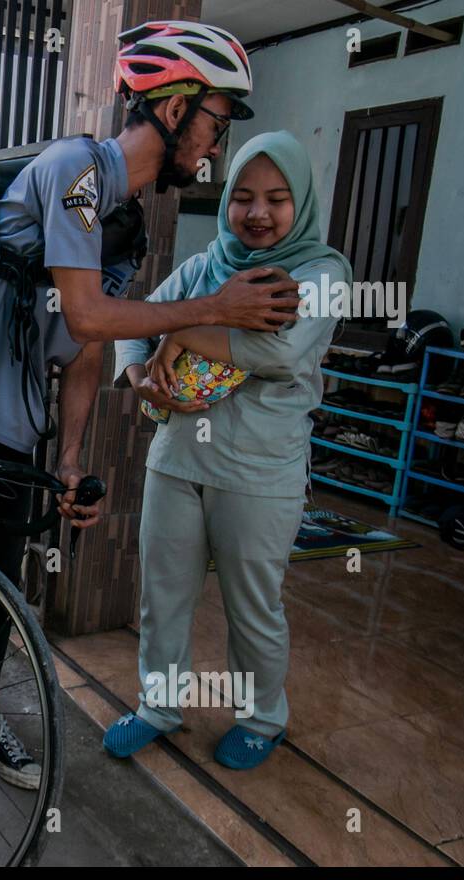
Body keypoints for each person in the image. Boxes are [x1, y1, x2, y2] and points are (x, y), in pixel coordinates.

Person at [0, 21, 301, 792]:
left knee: (0, 568)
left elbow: (86, 350)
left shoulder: (122, 222)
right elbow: (91, 315)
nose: (214, 149)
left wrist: (68, 459)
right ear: (172, 104)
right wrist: (214, 310)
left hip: (15, 418)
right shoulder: (76, 171)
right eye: (215, 125)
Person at [106, 130, 353, 770]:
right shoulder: (206, 266)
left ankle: (263, 718)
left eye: (275, 198)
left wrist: (183, 328)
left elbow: (278, 351)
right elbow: (135, 324)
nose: (257, 213)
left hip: (261, 471)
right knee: (161, 598)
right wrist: (140, 373)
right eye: (242, 197)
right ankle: (159, 707)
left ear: (300, 202)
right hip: (178, 460)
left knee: (253, 607)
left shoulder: (322, 272)